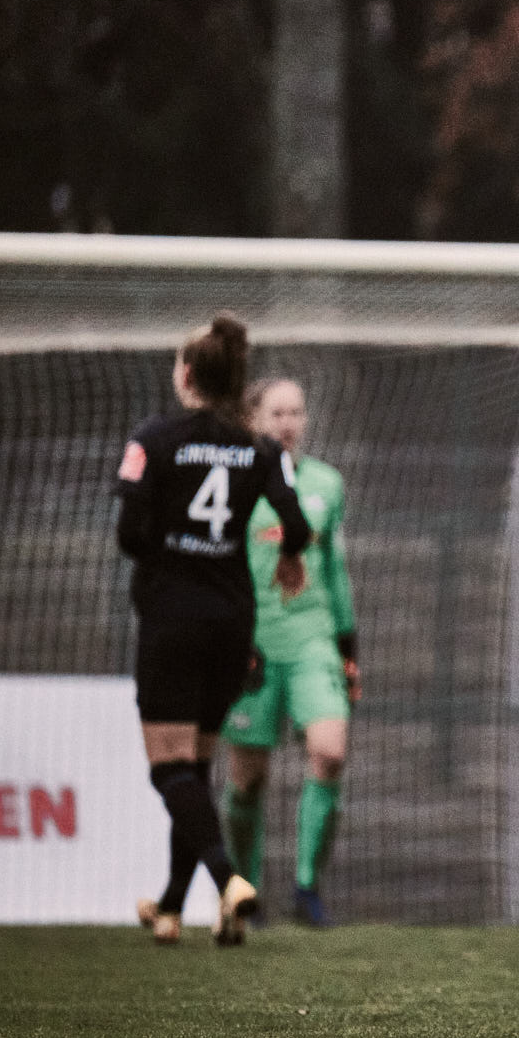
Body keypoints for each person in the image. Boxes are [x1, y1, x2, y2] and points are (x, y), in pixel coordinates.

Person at [118, 314, 313, 946]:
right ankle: (173, 907)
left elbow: (129, 533)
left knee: (168, 769)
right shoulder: (259, 448)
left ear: (186, 374)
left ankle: (229, 879)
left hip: (173, 618)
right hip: (232, 620)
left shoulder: (154, 438)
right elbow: (296, 525)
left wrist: (169, 557)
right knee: (196, 766)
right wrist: (289, 558)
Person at [220, 377, 360, 927]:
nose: (287, 423)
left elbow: (335, 569)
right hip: (251, 642)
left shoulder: (326, 483)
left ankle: (306, 888)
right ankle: (245, 891)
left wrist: (348, 647)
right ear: (253, 419)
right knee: (247, 778)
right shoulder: (234, 482)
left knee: (330, 751)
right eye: (276, 412)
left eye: (296, 412)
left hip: (312, 639)